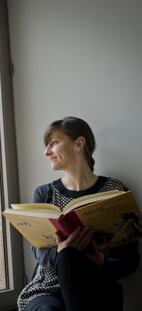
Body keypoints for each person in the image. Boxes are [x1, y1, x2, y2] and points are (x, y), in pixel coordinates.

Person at [17, 116, 140, 311]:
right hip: (48, 288)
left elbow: (130, 258)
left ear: (79, 143)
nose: (46, 152)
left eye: (54, 143)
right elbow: (39, 251)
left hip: (96, 282)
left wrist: (103, 262)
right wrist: (62, 251)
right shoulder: (44, 193)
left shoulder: (115, 190)